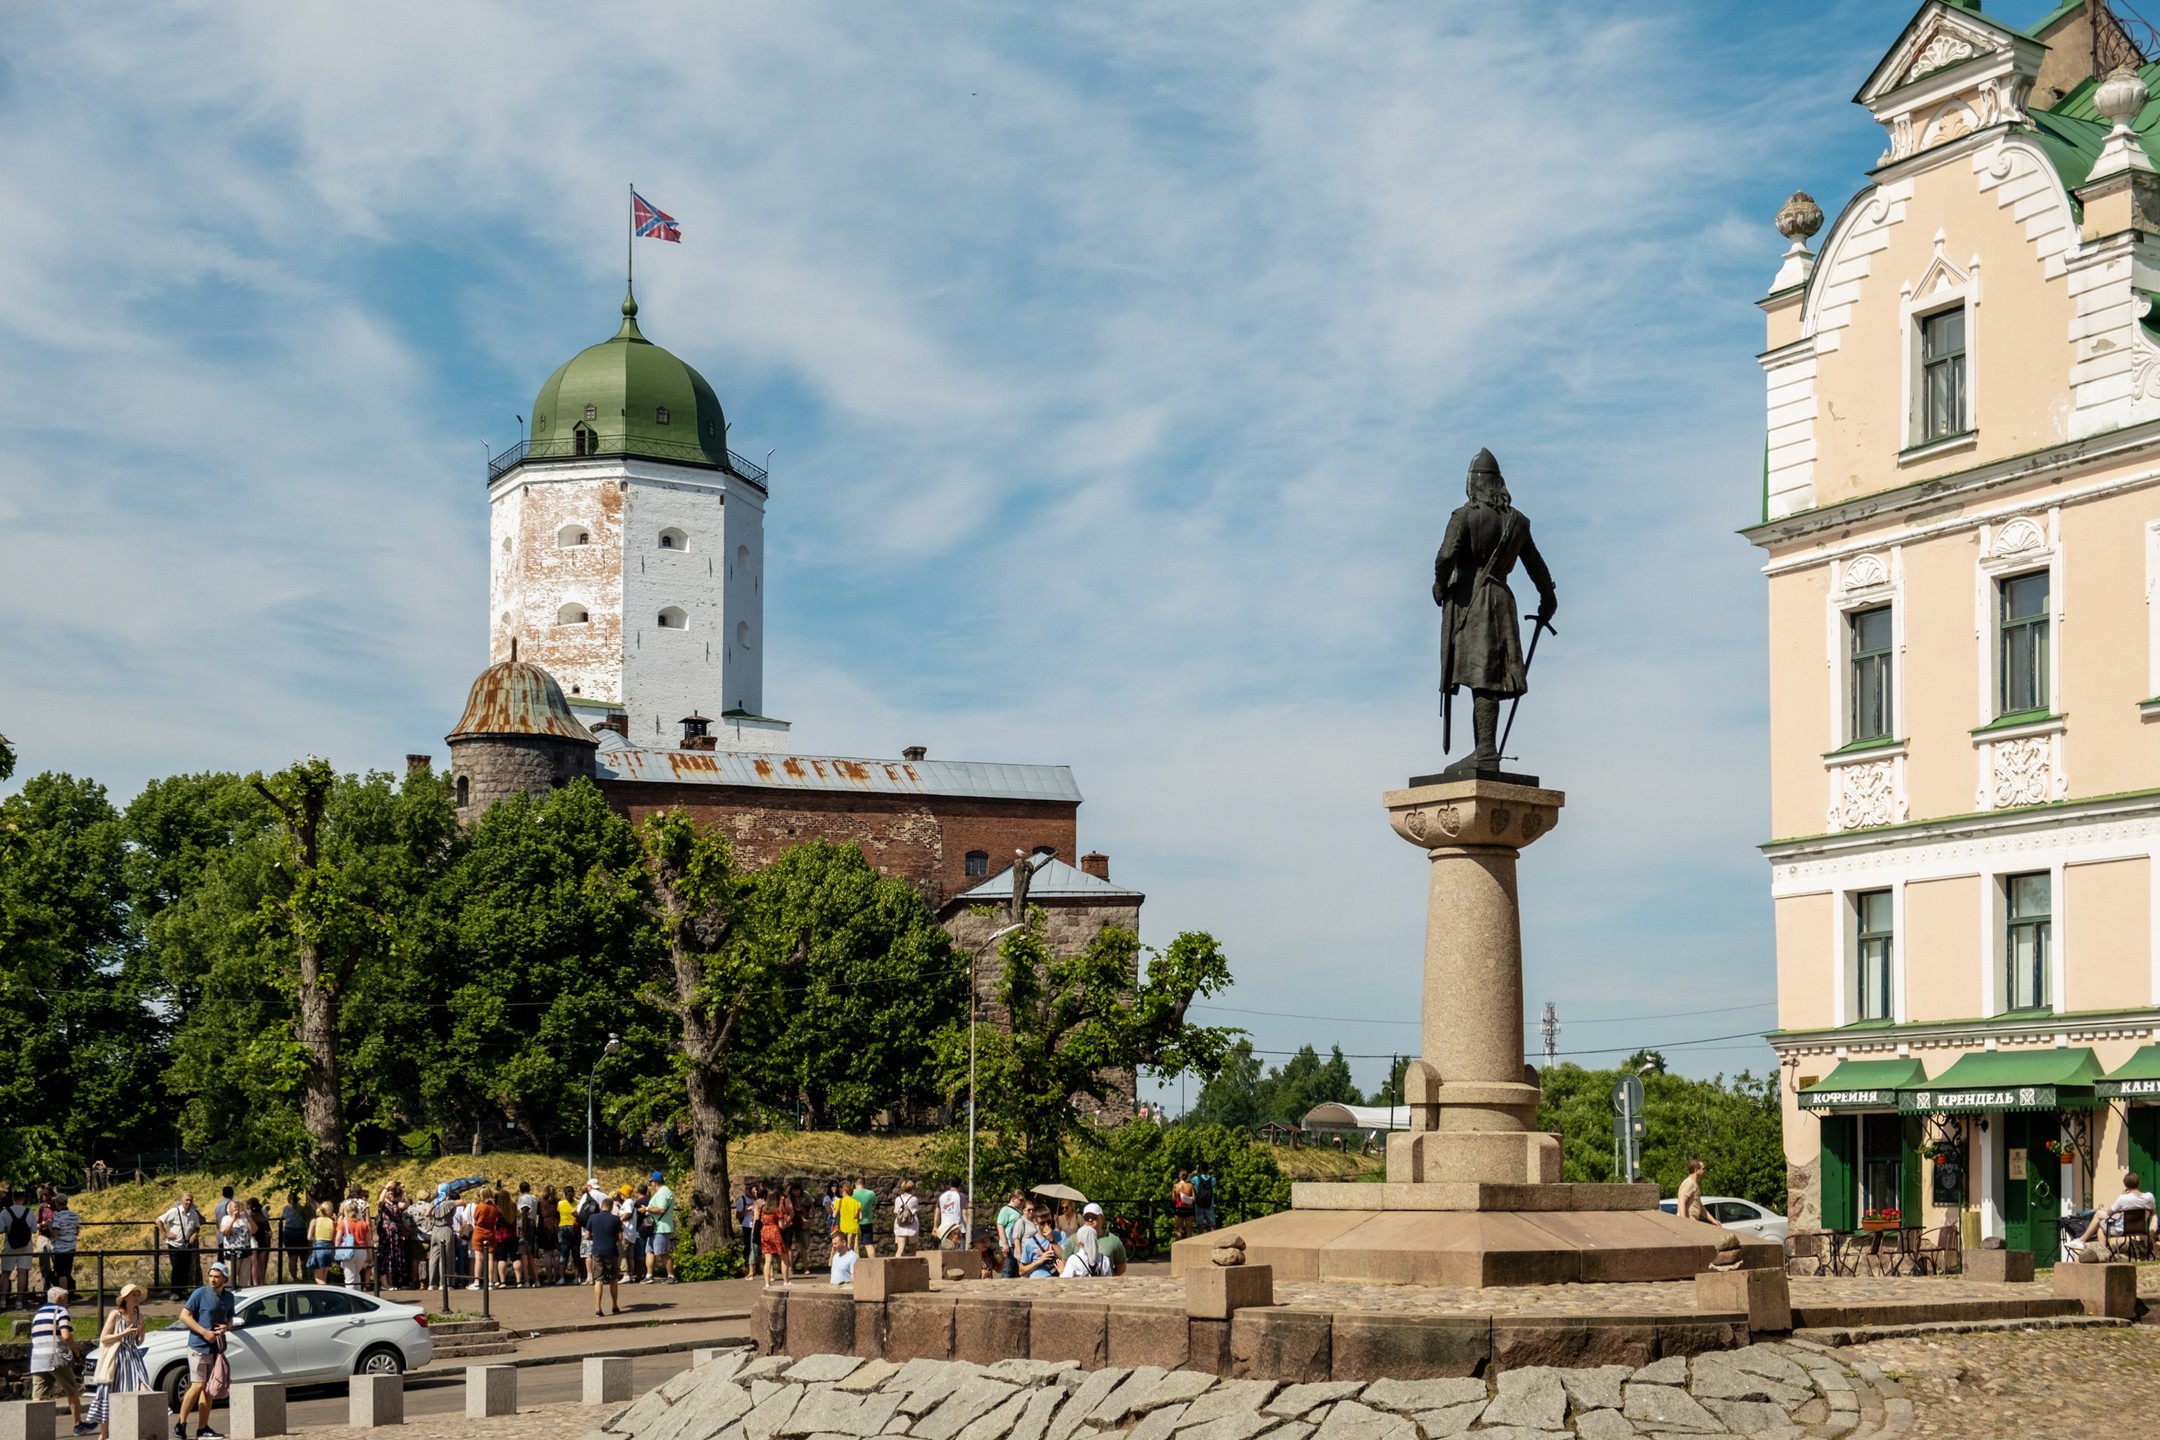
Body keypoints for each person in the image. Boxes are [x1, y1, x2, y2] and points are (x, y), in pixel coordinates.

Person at [177, 1261, 236, 1440]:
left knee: (208, 1389)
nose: (212, 1279)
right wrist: (204, 1332)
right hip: (198, 1345)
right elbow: (184, 1316)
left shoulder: (229, 1297)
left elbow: (230, 1319)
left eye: (216, 1277)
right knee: (198, 1385)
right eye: (210, 1276)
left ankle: (203, 1428)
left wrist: (226, 1327)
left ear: (224, 1279)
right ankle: (180, 1424)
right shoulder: (200, 1293)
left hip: (215, 1348)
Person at [85, 1283, 149, 1440]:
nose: (136, 1297)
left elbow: (138, 1342)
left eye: (138, 1295)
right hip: (116, 1357)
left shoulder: (139, 1316)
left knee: (143, 1389)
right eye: (133, 1294)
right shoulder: (116, 1315)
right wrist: (124, 1333)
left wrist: (141, 1333)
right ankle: (103, 1434)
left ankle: (136, 1429)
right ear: (126, 1298)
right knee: (110, 1392)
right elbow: (104, 1338)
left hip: (133, 1357)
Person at [29, 1284, 87, 1433]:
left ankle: (33, 1429)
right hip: (55, 1357)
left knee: (38, 1395)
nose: (67, 1302)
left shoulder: (38, 1314)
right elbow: (66, 1335)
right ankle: (78, 1425)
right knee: (72, 1390)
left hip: (37, 1359)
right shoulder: (60, 1310)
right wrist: (75, 1351)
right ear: (60, 1299)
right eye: (66, 1299)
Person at [2068, 1170, 2157, 1257]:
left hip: (2122, 1229)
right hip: (2139, 1228)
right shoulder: (2149, 1197)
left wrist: (2123, 1195)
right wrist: (2151, 1233)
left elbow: (2108, 1213)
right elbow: (2153, 1214)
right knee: (2100, 1216)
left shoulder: (2123, 1198)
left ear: (2125, 1185)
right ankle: (2082, 1241)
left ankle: (2099, 1252)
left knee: (2100, 1224)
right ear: (2139, 1183)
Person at [155, 1193, 204, 1301]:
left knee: (186, 1268)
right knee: (176, 1267)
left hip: (187, 1245)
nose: (189, 1202)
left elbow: (197, 1227)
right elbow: (159, 1221)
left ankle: (182, 1291)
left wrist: (195, 1234)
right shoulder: (174, 1212)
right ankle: (175, 1291)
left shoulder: (193, 1214)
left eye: (190, 1200)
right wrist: (166, 1233)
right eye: (186, 1200)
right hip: (175, 1244)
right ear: (181, 1201)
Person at [585, 1188, 624, 1317]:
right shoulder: (615, 1219)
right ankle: (614, 1305)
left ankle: (598, 1308)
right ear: (611, 1207)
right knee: (613, 1279)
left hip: (597, 1251)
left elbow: (586, 1236)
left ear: (601, 1206)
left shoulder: (593, 1217)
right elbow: (620, 1238)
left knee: (599, 1280)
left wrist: (594, 1237)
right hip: (611, 1251)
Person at [3, 1184, 37, 1309]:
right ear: (23, 1198)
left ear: (12, 1197)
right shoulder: (30, 1212)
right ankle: (19, 1301)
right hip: (26, 1245)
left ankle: (2, 1300)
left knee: (6, 1273)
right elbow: (34, 1230)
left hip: (10, 1245)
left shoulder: (5, 1212)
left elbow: (1, 1229)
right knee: (22, 1272)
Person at [643, 1171, 676, 1283]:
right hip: (655, 1227)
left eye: (651, 1181)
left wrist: (646, 1209)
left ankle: (671, 1276)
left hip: (660, 1227)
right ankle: (649, 1275)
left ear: (655, 1182)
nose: (651, 1184)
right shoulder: (662, 1192)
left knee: (662, 1252)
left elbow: (661, 1209)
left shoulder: (663, 1193)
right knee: (649, 1251)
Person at [46, 1193, 80, 1302]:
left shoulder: (57, 1217)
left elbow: (55, 1233)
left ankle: (63, 1298)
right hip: (71, 1247)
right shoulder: (74, 1215)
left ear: (57, 1203)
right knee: (67, 1271)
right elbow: (77, 1231)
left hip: (61, 1249)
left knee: (61, 1274)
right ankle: (68, 1294)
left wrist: (49, 1227)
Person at [758, 1183, 793, 1286]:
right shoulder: (778, 1210)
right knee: (784, 1257)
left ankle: (767, 1283)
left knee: (768, 1260)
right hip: (774, 1232)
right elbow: (781, 1225)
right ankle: (786, 1281)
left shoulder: (763, 1208)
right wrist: (786, 1224)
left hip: (764, 1232)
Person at [1059, 1206, 1104, 1278]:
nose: (1090, 1219)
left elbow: (1065, 1279)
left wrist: (1061, 1271)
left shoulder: (1073, 1260)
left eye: (1094, 1217)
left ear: (1079, 1241)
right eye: (1087, 1217)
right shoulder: (1104, 1260)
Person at [1677, 1159, 1719, 1226]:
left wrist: (1713, 1220)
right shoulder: (1689, 1183)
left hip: (1693, 1221)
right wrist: (1684, 1221)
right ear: (1696, 1170)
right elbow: (1681, 1202)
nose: (1705, 1171)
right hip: (1688, 1222)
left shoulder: (1694, 1184)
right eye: (1703, 1169)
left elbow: (1699, 1206)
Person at [278, 1194, 308, 1284]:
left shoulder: (286, 1208)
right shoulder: (302, 1209)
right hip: (301, 1232)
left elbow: (281, 1217)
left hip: (289, 1232)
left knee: (292, 1257)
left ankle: (295, 1279)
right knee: (304, 1257)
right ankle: (305, 1277)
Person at [994, 1191, 1025, 1279]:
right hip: (1009, 1245)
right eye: (1021, 1200)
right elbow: (1000, 1226)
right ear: (1014, 1198)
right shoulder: (1005, 1210)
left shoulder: (1019, 1211)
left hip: (1016, 1244)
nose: (1022, 1202)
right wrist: (1005, 1243)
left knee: (1016, 1271)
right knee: (1007, 1270)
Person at [553, 1186, 579, 1285]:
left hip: (563, 1228)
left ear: (564, 1194)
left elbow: (558, 1212)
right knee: (576, 1254)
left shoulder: (560, 1203)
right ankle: (576, 1278)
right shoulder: (578, 1202)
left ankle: (562, 1278)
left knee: (564, 1254)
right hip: (574, 1227)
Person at [891, 1179, 921, 1257]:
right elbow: (917, 1210)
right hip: (912, 1226)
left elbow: (896, 1212)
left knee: (900, 1249)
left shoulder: (898, 1199)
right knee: (913, 1250)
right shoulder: (914, 1199)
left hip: (900, 1225)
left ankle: (896, 1266)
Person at [307, 1202, 336, 1284]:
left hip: (319, 1247)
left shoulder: (315, 1221)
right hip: (330, 1248)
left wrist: (315, 1238)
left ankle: (328, 1293)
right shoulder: (332, 1222)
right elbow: (333, 1238)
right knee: (324, 1276)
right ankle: (325, 1295)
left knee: (318, 1277)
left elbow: (309, 1237)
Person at [936, 1179, 965, 1250]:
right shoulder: (960, 1196)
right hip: (957, 1226)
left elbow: (937, 1212)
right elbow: (964, 1213)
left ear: (950, 1184)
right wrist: (968, 1226)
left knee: (945, 1249)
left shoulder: (942, 1196)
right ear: (960, 1185)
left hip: (945, 1228)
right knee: (959, 1250)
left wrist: (935, 1226)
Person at [852, 1179, 878, 1258]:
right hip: (867, 1221)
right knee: (868, 1244)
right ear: (864, 1184)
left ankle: (854, 1266)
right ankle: (874, 1264)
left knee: (854, 1245)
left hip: (854, 1221)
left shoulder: (852, 1193)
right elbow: (874, 1204)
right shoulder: (871, 1193)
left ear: (855, 1184)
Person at [836, 1182, 863, 1256]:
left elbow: (834, 1215)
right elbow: (860, 1217)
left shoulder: (839, 1202)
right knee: (853, 1249)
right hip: (854, 1228)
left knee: (842, 1249)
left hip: (843, 1228)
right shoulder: (857, 1203)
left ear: (844, 1192)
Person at [1171, 1171, 1196, 1240]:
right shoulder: (1190, 1185)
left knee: (1179, 1231)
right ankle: (1189, 1248)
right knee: (1189, 1231)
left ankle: (1178, 1249)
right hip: (1189, 1210)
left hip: (1179, 1209)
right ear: (1187, 1176)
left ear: (1179, 1176)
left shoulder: (1176, 1186)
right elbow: (1194, 1199)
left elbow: (1173, 1199)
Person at [1192, 1166, 1216, 1233]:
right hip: (1209, 1203)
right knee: (1212, 1224)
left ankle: (1201, 1240)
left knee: (1200, 1225)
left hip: (1199, 1203)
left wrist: (1195, 1172)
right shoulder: (1212, 1179)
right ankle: (1213, 1239)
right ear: (1208, 1169)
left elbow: (1187, 1180)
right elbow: (1214, 1184)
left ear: (1200, 1170)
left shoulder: (1195, 1179)